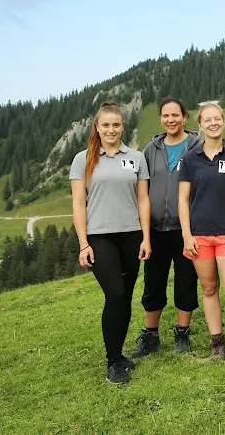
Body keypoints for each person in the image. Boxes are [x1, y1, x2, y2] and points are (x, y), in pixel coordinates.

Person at [70, 100, 151, 384]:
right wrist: (83, 244)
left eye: (116, 124)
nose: (111, 130)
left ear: (122, 127)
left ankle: (118, 354)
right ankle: (113, 361)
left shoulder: (136, 157)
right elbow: (78, 203)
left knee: (125, 296)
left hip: (131, 235)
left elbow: (143, 199)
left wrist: (146, 237)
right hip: (99, 236)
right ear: (97, 127)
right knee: (115, 294)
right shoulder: (83, 159)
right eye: (105, 125)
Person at [128, 98, 200, 359]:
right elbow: (142, 188)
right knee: (153, 282)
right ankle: (150, 336)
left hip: (187, 229)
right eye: (166, 116)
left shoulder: (197, 146)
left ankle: (182, 333)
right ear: (161, 119)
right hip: (156, 229)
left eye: (175, 115)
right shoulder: (151, 149)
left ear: (185, 117)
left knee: (186, 280)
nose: (171, 120)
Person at [178, 102, 225, 360]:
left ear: (224, 121)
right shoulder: (190, 159)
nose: (213, 123)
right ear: (199, 125)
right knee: (209, 289)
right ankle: (217, 342)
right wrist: (187, 235)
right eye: (207, 120)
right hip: (199, 235)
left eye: (217, 118)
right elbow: (183, 199)